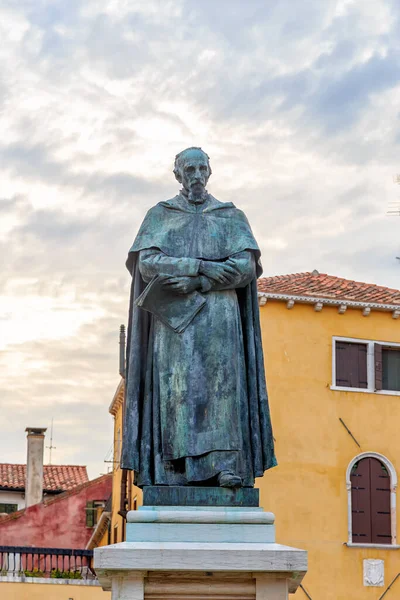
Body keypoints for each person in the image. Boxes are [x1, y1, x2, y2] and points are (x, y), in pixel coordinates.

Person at [121, 147, 276, 488]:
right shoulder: (159, 216)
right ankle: (173, 469)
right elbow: (147, 263)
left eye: (201, 168)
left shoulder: (231, 216)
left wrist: (198, 279)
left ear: (210, 172)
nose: (195, 175)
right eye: (188, 169)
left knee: (223, 390)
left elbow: (245, 267)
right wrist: (201, 267)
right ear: (177, 175)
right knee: (177, 392)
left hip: (221, 317)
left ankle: (225, 466)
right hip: (174, 321)